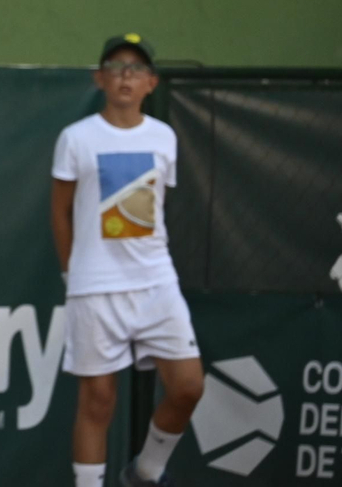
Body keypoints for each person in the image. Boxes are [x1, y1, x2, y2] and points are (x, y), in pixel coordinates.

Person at [51, 33, 204, 487]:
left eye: (136, 69)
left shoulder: (164, 138)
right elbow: (60, 211)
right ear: (100, 79)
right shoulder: (75, 139)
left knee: (188, 387)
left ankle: (145, 474)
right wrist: (71, 271)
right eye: (116, 67)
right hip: (94, 286)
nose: (125, 76)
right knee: (98, 400)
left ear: (151, 84)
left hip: (157, 281)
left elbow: (156, 207)